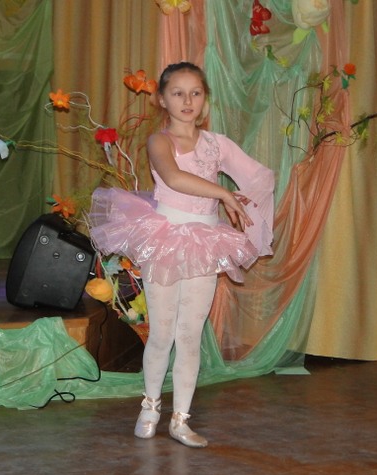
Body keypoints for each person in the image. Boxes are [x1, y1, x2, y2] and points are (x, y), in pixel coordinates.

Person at [89, 62, 274, 447]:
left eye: (196, 93)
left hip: (204, 243)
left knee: (190, 335)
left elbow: (260, 177)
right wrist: (224, 194)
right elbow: (173, 178)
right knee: (162, 333)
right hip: (165, 239)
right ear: (162, 99)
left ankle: (181, 419)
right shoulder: (160, 141)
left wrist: (248, 207)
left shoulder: (217, 144)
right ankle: (150, 407)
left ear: (205, 98)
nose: (188, 100)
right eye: (178, 93)